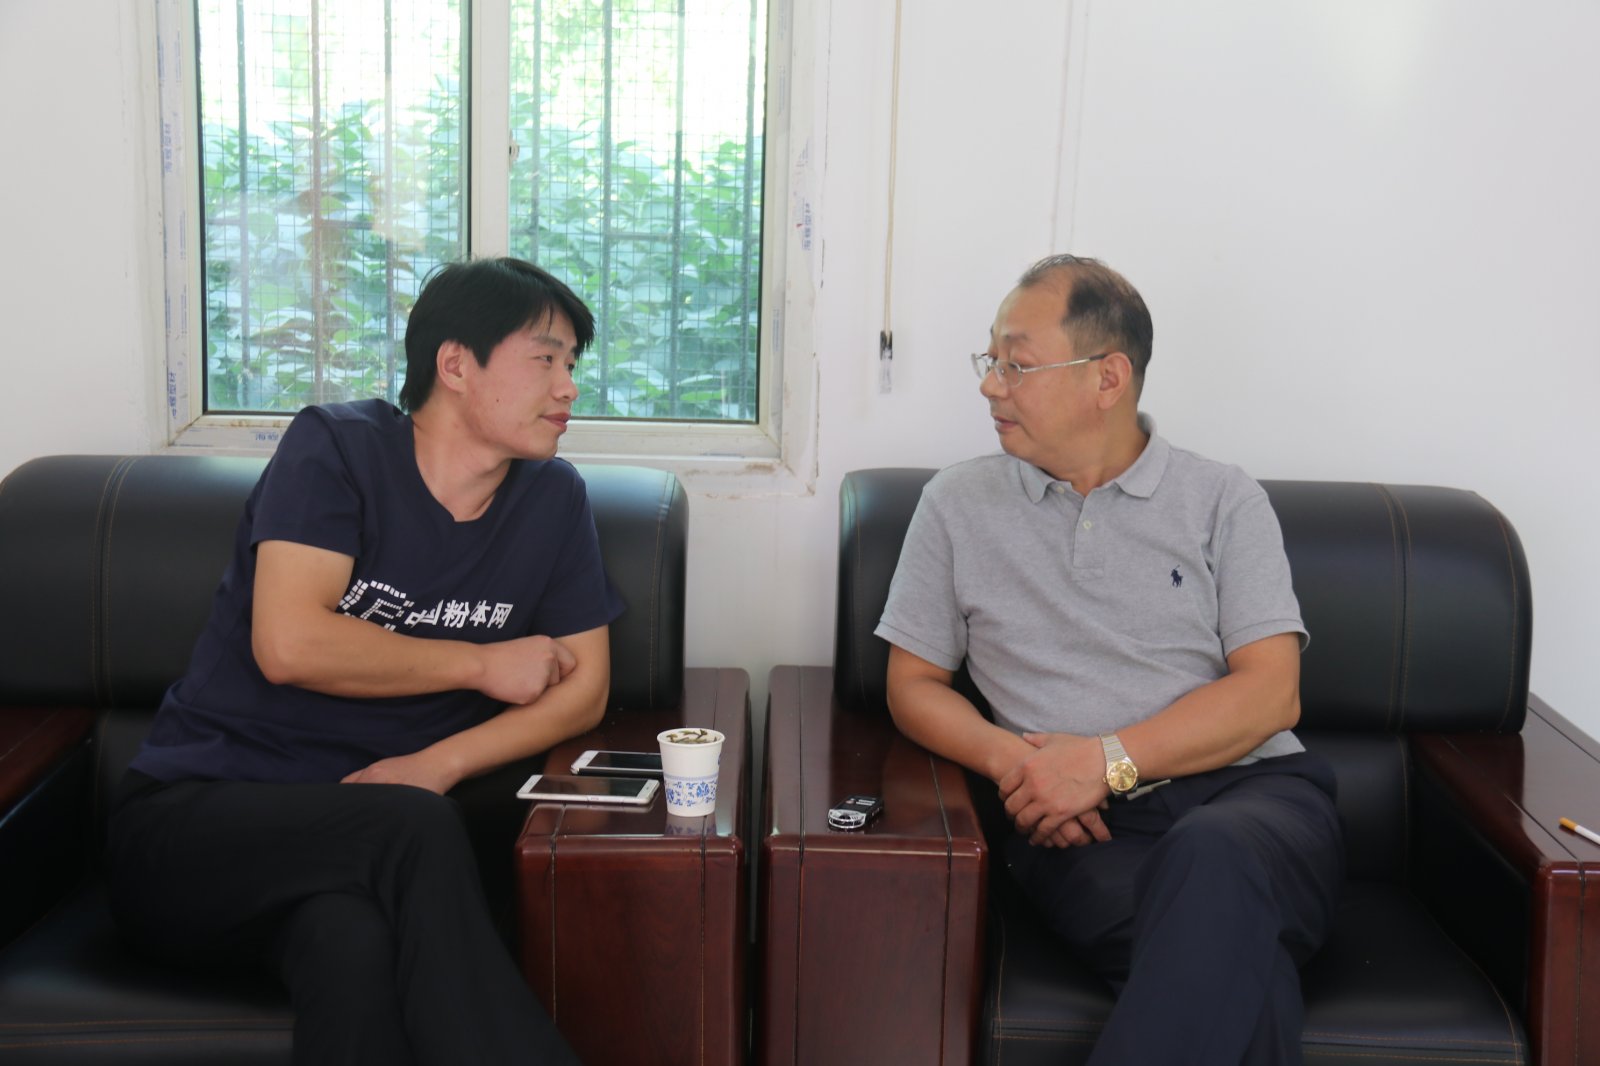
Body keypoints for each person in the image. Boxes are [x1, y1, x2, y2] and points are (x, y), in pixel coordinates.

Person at [106, 257, 620, 1066]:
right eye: (545, 359)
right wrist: (480, 665)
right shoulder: (337, 449)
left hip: (356, 858)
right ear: (456, 365)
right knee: (411, 827)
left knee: (351, 945)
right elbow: (289, 645)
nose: (568, 388)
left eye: (572, 364)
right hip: (197, 830)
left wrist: (437, 764)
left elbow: (584, 689)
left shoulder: (552, 499)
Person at [877, 255, 1343, 1064]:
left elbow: (1272, 695)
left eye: (1016, 365)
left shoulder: (1224, 500)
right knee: (1240, 964)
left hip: (1255, 799)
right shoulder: (956, 505)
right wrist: (1024, 768)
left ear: (1108, 377)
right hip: (1080, 830)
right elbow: (912, 684)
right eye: (990, 360)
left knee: (1213, 858)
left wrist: (1105, 761)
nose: (990, 385)